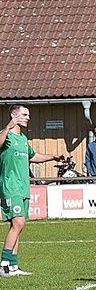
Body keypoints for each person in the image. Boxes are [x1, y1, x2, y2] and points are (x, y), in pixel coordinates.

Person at [0, 106, 64, 277]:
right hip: (10, 187)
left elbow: (33, 156)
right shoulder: (6, 135)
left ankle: (13, 265)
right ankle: (3, 263)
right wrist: (7, 126)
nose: (28, 117)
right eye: (24, 114)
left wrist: (53, 157)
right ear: (14, 116)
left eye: (28, 115)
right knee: (18, 223)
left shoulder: (22, 139)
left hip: (23, 188)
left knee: (18, 226)